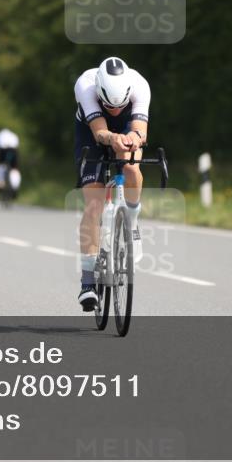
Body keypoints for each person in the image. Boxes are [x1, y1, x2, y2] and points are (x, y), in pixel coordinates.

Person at [73, 57, 150, 311]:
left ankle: (132, 219)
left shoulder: (140, 86)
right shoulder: (85, 85)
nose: (115, 110)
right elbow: (99, 132)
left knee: (130, 166)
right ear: (99, 93)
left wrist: (133, 138)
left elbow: (140, 129)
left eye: (120, 105)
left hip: (127, 129)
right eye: (109, 105)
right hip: (92, 131)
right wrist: (112, 138)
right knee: (94, 206)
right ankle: (87, 283)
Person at [0, 127, 20, 196]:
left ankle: (0, 184)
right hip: (13, 151)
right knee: (15, 169)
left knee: (0, 166)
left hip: (3, 151)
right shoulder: (13, 135)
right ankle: (15, 187)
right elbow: (17, 145)